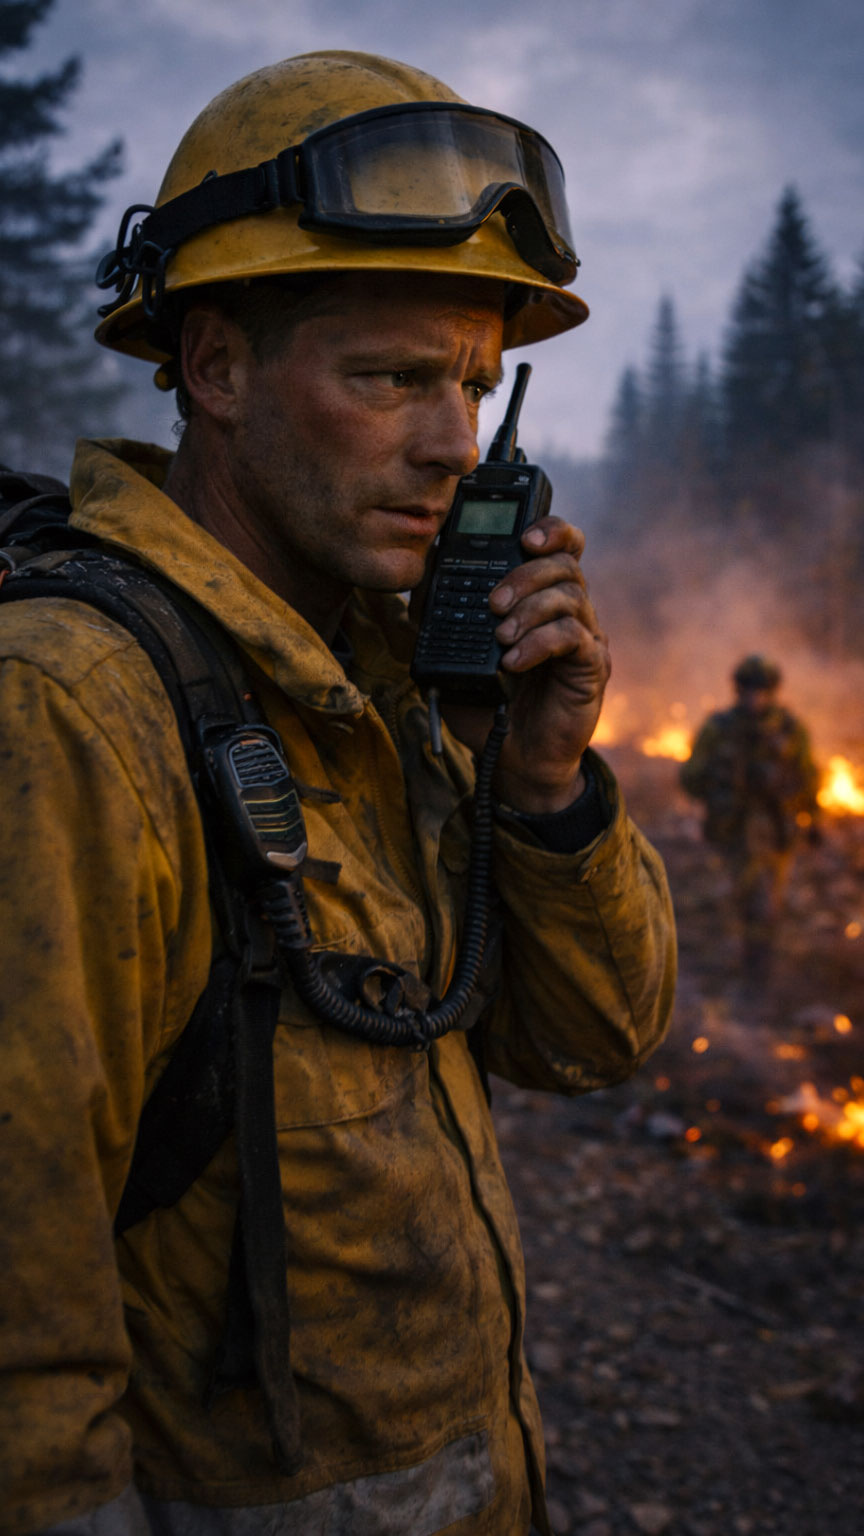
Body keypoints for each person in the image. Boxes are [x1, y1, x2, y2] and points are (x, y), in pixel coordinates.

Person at [0, 51, 676, 1536]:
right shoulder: (68, 711)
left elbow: (593, 1044)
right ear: (217, 368)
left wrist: (544, 784)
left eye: (475, 385)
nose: (451, 446)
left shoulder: (381, 677)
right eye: (388, 379)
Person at [680, 654, 820, 978]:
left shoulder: (790, 730)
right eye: (749, 690)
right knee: (750, 901)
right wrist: (723, 784)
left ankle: (757, 969)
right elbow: (691, 777)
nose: (755, 698)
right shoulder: (719, 730)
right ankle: (748, 970)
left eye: (762, 690)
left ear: (773, 692)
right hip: (734, 829)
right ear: (738, 690)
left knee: (767, 902)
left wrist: (813, 819)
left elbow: (808, 776)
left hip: (777, 831)